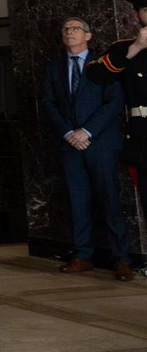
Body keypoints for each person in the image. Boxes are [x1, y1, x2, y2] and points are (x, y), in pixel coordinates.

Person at [43, 17, 131, 282]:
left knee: (109, 199)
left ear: (89, 36)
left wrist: (87, 131)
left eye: (76, 28)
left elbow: (114, 102)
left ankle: (122, 259)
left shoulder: (103, 64)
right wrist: (69, 133)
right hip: (70, 145)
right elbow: (49, 104)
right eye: (66, 29)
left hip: (100, 142)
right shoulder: (53, 68)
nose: (70, 32)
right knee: (76, 201)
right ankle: (82, 255)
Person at [88, 0, 147, 255]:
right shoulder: (125, 47)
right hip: (143, 136)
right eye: (146, 10)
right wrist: (135, 48)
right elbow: (97, 75)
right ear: (137, 16)